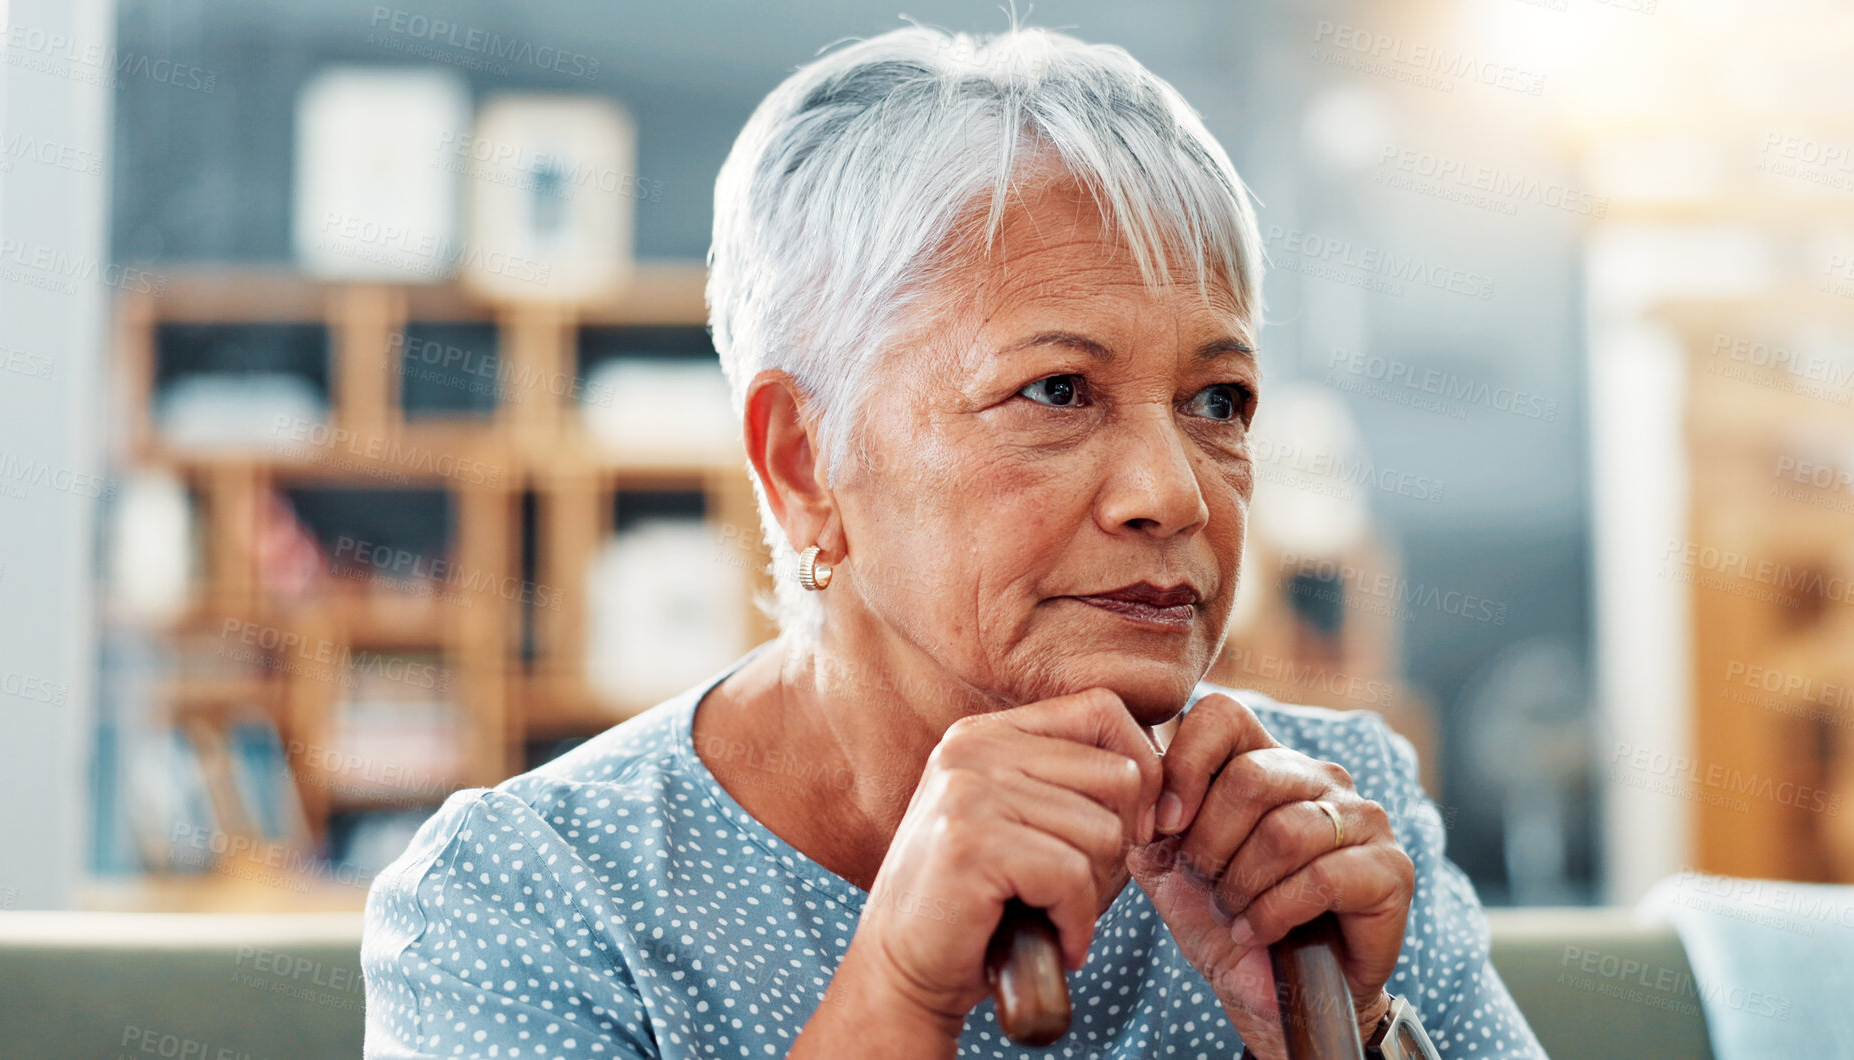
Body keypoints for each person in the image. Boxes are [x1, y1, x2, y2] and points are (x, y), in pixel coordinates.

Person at [363, 23, 1544, 1059]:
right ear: (802, 460)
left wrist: (1337, 1030)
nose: (1173, 493)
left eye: (1218, 401)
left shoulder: (1325, 826)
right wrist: (897, 991)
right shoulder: (527, 894)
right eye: (1057, 391)